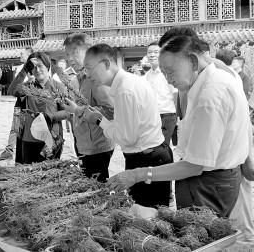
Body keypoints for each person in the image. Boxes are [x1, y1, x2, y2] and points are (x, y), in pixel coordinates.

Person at [104, 35, 250, 219]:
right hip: (213, 180)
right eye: (164, 73)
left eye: (171, 72)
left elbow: (194, 166)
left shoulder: (210, 96)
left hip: (208, 185)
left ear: (193, 62)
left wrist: (137, 174)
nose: (167, 79)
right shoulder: (216, 79)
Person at [159, 27, 254, 245]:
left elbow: (239, 123)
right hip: (209, 168)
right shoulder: (198, 78)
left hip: (214, 174)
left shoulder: (213, 85)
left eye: (170, 70)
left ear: (190, 54)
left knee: (226, 234)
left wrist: (141, 174)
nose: (168, 78)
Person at [68, 43, 173, 207]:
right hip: (150, 155)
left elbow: (127, 139)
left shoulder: (125, 90)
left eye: (89, 68)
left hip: (147, 159)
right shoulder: (130, 82)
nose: (87, 74)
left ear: (107, 64)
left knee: (148, 217)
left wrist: (99, 120)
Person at [63, 33, 115, 182]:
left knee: (97, 188)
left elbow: (110, 111)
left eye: (74, 52)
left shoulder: (97, 78)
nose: (70, 58)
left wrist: (78, 111)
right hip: (83, 142)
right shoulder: (75, 79)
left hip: (97, 146)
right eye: (68, 54)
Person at [8, 52, 69, 164]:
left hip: (51, 139)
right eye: (33, 68)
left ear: (48, 66)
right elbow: (11, 91)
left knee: (49, 174)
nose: (37, 70)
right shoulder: (26, 87)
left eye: (40, 66)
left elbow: (68, 111)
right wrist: (24, 70)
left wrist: (50, 117)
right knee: (29, 174)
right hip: (29, 138)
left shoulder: (58, 87)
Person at [0, 47, 34, 160]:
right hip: (20, 101)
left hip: (32, 102)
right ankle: (9, 150)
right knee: (15, 126)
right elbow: (14, 88)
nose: (20, 55)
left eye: (23, 54)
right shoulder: (20, 69)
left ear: (30, 56)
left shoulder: (36, 69)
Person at [145, 41, 178, 145]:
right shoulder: (147, 76)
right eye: (149, 52)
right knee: (154, 146)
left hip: (167, 115)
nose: (152, 55)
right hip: (151, 116)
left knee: (163, 145)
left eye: (156, 52)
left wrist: (177, 116)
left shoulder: (167, 72)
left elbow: (175, 94)